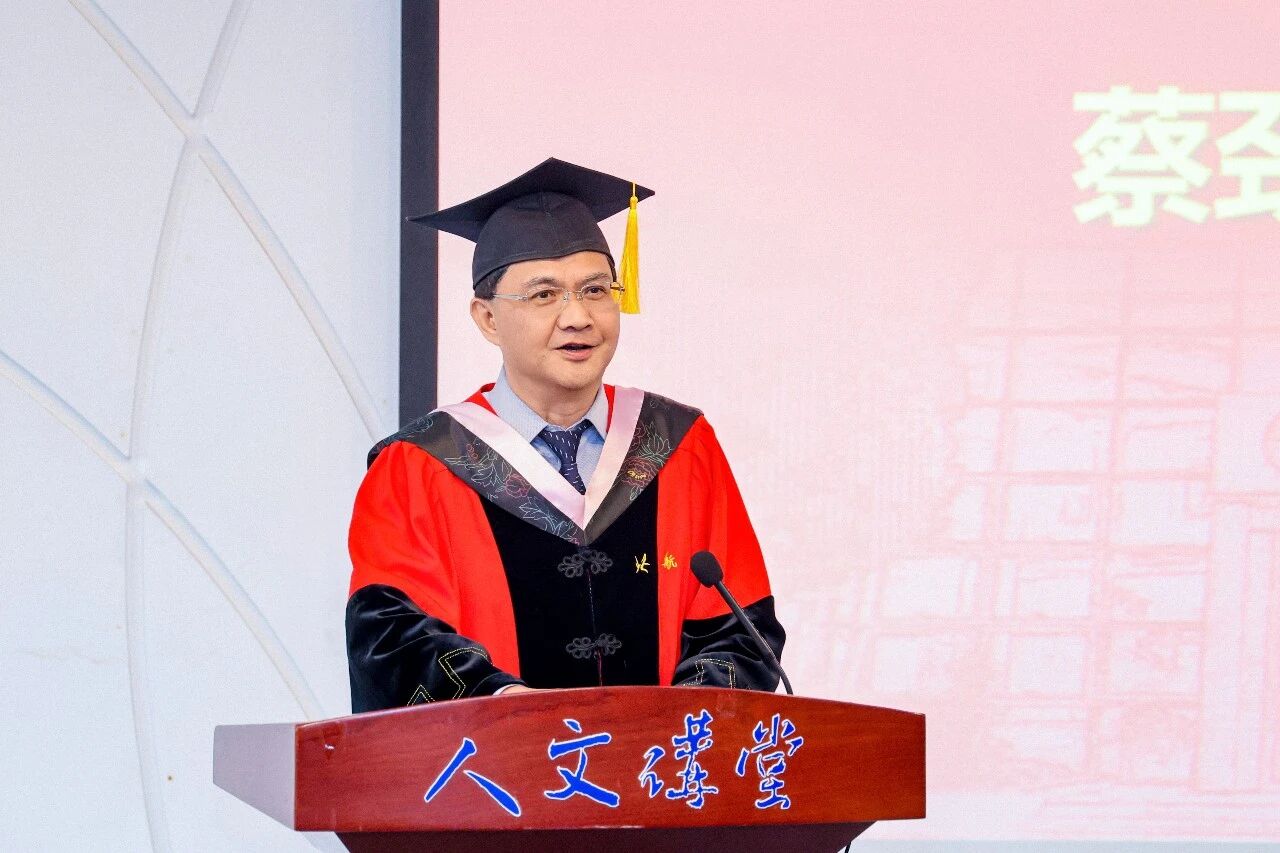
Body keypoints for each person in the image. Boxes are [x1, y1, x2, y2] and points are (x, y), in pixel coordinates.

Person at [345, 158, 785, 712]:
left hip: (659, 763)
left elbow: (741, 628)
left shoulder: (678, 444)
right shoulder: (419, 465)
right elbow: (393, 640)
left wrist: (669, 724)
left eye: (596, 290)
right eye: (543, 295)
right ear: (487, 319)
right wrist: (508, 708)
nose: (578, 317)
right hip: (502, 763)